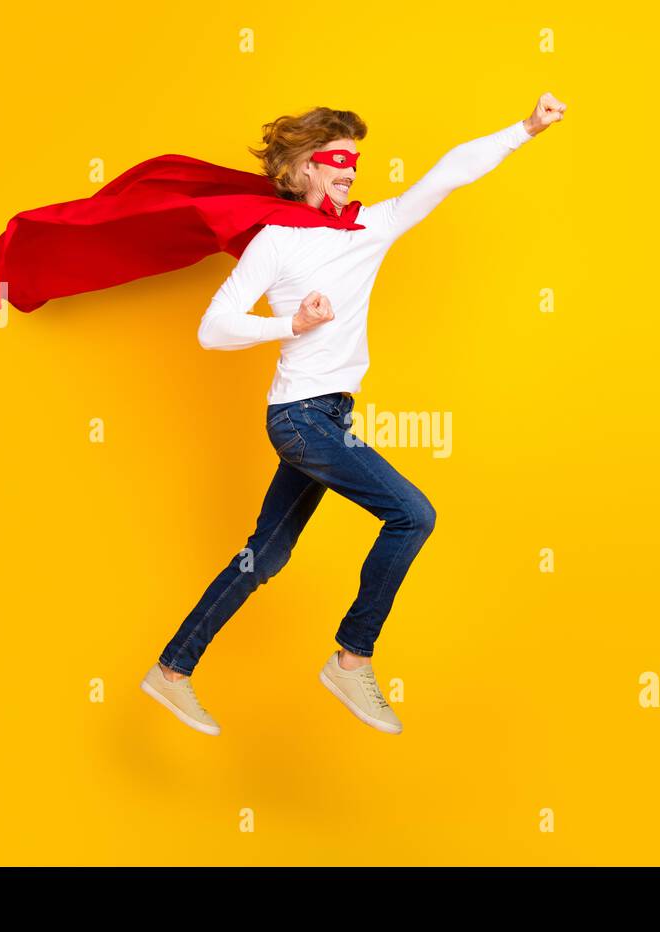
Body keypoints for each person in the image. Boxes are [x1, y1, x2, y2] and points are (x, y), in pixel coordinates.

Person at [140, 93, 568, 736]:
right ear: (304, 168)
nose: (350, 169)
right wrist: (293, 322)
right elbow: (213, 328)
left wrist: (525, 129)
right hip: (300, 420)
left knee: (266, 556)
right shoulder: (277, 241)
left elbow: (446, 175)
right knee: (413, 514)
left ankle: (172, 670)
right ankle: (352, 657)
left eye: (355, 160)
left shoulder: (372, 226)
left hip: (327, 420)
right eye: (337, 158)